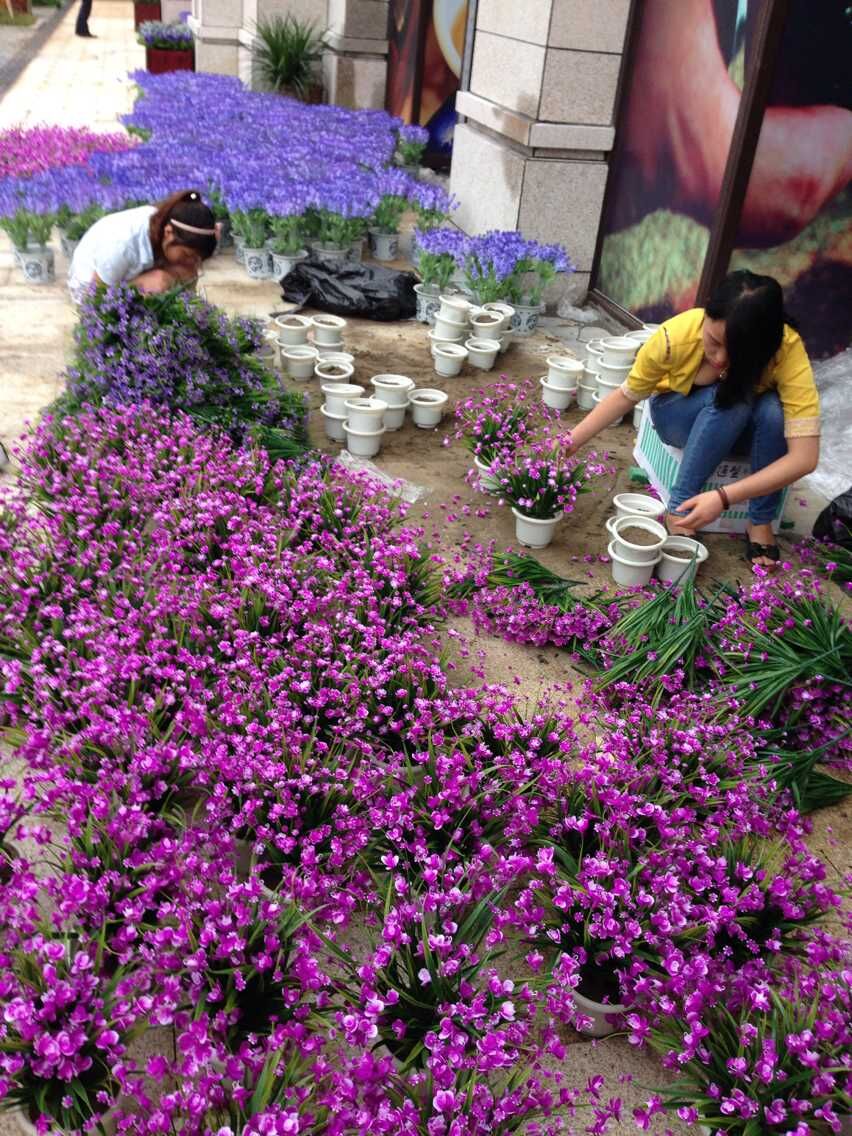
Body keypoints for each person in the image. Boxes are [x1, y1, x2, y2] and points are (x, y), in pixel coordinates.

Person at [565, 271, 820, 569]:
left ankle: (760, 519)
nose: (720, 359)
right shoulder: (675, 336)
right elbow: (625, 396)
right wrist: (570, 442)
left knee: (774, 411)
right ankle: (680, 506)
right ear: (707, 311)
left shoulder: (785, 348)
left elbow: (805, 458)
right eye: (714, 341)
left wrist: (722, 497)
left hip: (739, 428)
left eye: (737, 352)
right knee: (732, 399)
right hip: (677, 415)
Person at [68, 189, 218, 305]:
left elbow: (189, 270)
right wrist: (142, 285)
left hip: (124, 275)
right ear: (168, 233)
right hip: (89, 286)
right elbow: (95, 296)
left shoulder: (164, 224)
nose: (192, 261)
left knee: (186, 273)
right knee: (159, 282)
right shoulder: (123, 244)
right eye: (187, 254)